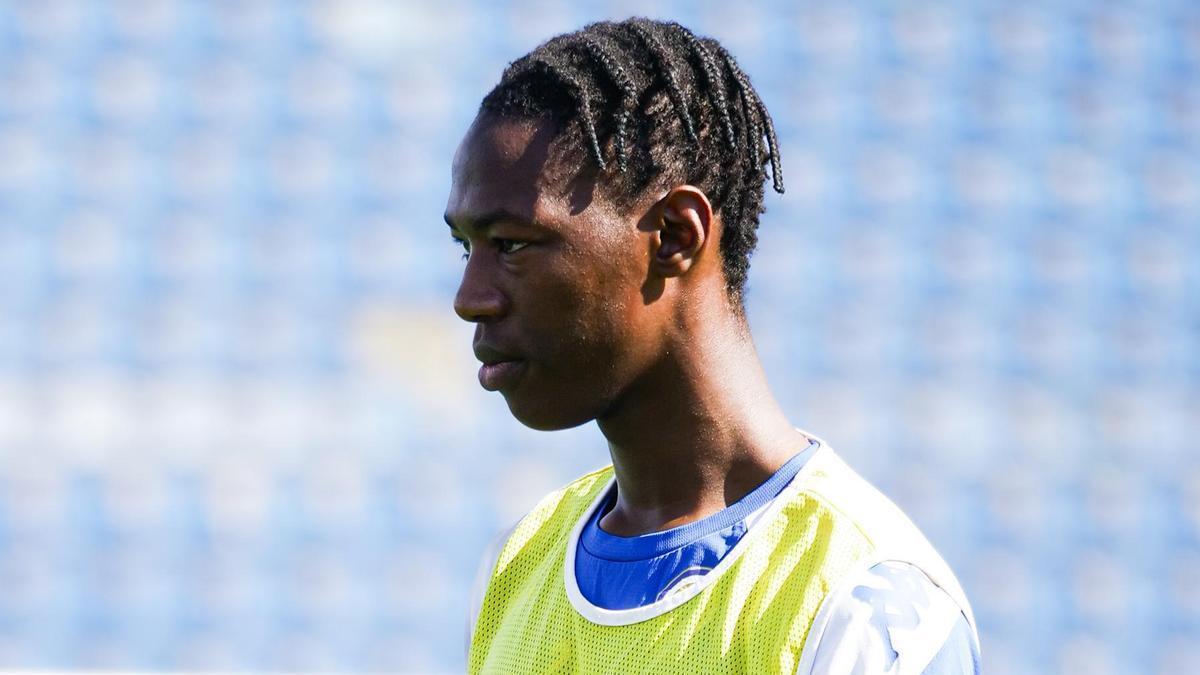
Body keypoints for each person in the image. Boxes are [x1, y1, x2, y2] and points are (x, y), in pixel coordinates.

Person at [445, 17, 981, 674]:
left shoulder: (861, 605)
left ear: (674, 234)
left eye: (513, 244)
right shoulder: (517, 565)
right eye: (466, 247)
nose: (470, 296)